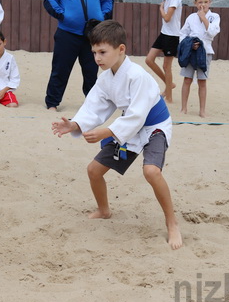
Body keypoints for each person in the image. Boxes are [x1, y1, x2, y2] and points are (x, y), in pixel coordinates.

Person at [51, 20, 183, 250]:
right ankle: (104, 210)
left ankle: (172, 223)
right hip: (128, 129)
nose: (97, 58)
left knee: (151, 171)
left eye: (102, 52)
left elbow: (137, 116)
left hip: (154, 126)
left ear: (121, 49)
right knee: (93, 170)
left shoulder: (137, 76)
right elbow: (94, 107)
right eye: (94, 52)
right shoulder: (105, 79)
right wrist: (75, 124)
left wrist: (106, 131)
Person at [44, 0, 114, 111]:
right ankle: (52, 103)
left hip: (93, 35)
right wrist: (63, 15)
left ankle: (92, 104)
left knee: (91, 71)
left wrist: (103, 17)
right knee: (60, 69)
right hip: (67, 33)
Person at [178, 0, 221, 117]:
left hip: (206, 51)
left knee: (202, 81)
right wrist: (189, 44)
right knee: (187, 79)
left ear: (210, 2)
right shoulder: (191, 17)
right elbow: (183, 33)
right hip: (191, 51)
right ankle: (184, 108)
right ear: (195, 3)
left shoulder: (215, 17)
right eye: (200, 2)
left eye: (206, 2)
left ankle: (202, 110)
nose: (203, 5)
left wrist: (203, 18)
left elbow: (213, 32)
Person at [145, 0, 182, 103]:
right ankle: (169, 84)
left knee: (167, 66)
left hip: (172, 36)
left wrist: (160, 9)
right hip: (164, 33)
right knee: (149, 60)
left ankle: (170, 97)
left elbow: (167, 18)